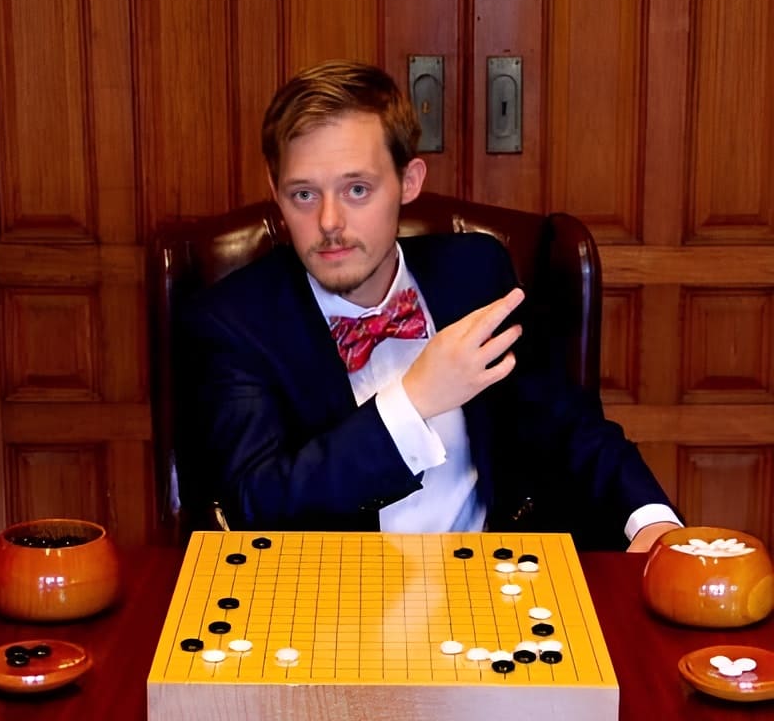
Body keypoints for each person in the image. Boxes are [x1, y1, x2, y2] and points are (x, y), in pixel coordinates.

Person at [175, 59, 682, 551]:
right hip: (323, 608)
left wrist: (651, 522)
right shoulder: (231, 321)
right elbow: (256, 505)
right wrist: (414, 400)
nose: (329, 221)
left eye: (357, 189)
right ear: (275, 192)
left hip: (490, 588)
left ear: (409, 181)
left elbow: (566, 424)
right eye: (304, 194)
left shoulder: (476, 272)